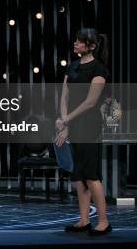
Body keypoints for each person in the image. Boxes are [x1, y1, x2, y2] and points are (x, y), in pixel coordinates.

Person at [55, 28, 112, 236]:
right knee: (79, 174)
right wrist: (64, 121)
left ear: (91, 46)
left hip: (90, 123)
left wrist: (67, 119)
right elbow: (65, 95)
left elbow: (90, 102)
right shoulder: (73, 66)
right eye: (76, 41)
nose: (76, 44)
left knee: (91, 174)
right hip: (74, 123)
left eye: (80, 42)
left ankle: (104, 221)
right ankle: (84, 219)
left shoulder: (99, 69)